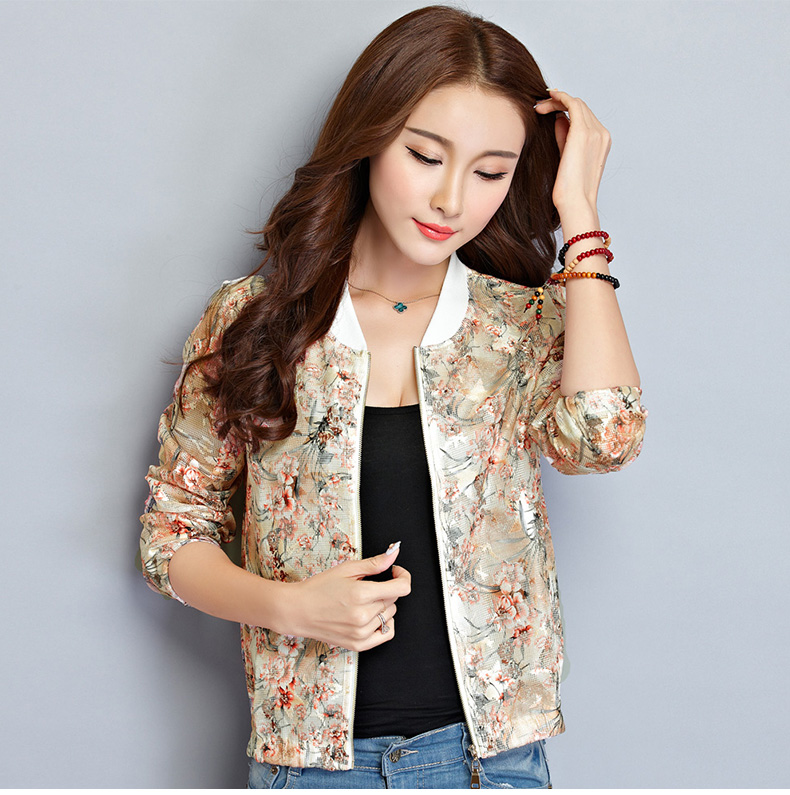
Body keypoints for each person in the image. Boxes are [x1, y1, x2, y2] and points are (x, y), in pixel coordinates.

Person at [139, 4, 645, 789]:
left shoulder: (523, 325)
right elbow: (172, 535)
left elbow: (606, 438)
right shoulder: (254, 320)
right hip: (314, 767)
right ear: (371, 136)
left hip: (494, 764)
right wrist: (291, 607)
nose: (450, 199)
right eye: (425, 155)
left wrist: (580, 214)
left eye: (489, 172)